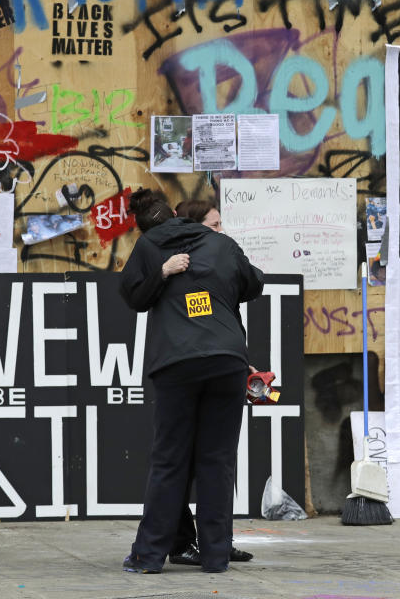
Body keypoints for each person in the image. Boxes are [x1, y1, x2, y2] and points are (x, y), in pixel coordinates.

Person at [120, 188, 264, 574]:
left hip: (177, 363)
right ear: (175, 213)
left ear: (143, 225)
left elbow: (131, 295)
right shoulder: (220, 244)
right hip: (227, 361)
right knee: (217, 462)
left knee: (169, 462)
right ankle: (216, 557)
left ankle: (148, 556)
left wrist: (163, 277)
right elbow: (254, 284)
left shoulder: (149, 246)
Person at [165, 197, 253, 567]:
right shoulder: (170, 262)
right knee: (178, 463)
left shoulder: (221, 259)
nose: (221, 231)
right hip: (181, 368)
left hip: (217, 364)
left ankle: (216, 541)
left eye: (221, 225)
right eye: (213, 226)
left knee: (215, 462)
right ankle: (184, 540)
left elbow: (248, 286)